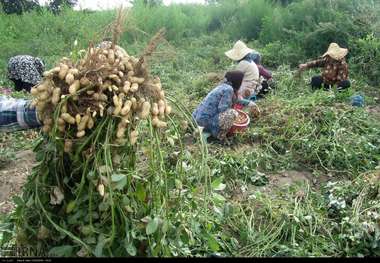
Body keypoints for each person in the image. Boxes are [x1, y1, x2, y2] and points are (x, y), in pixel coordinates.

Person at [192, 70, 255, 141]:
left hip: (195, 119)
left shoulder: (223, 86)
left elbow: (235, 99)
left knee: (231, 112)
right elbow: (222, 108)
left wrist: (248, 103)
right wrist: (233, 112)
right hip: (204, 122)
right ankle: (218, 136)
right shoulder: (229, 89)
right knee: (233, 113)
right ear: (237, 81)